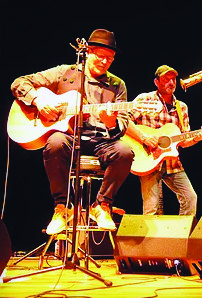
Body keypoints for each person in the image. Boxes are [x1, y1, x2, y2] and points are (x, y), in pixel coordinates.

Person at [11, 29, 134, 234]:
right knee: (56, 142)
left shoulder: (117, 85)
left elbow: (121, 125)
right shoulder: (64, 73)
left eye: (110, 59)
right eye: (101, 56)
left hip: (100, 139)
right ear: (88, 52)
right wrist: (38, 100)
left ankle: (102, 205)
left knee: (125, 152)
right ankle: (62, 207)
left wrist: (111, 122)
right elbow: (19, 82)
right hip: (69, 136)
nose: (105, 62)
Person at [126, 65, 202, 215]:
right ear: (156, 82)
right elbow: (124, 121)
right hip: (148, 160)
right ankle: (150, 239)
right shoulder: (145, 99)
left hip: (172, 163)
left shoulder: (181, 107)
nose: (171, 83)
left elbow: (183, 140)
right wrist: (144, 138)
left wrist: (196, 139)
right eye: (166, 79)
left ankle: (181, 236)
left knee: (190, 198)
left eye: (173, 79)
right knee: (152, 207)